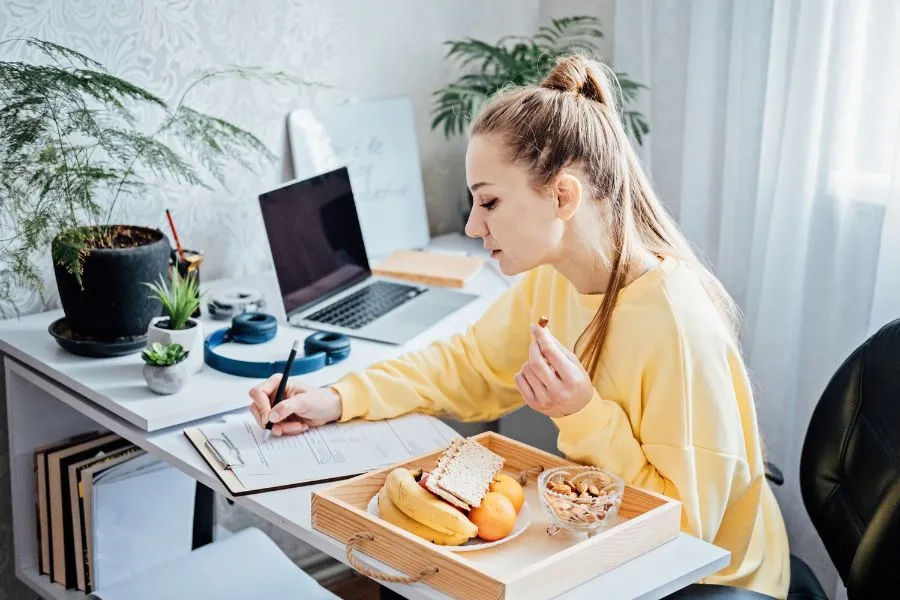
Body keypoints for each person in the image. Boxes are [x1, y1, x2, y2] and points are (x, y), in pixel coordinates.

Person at [249, 55, 790, 598]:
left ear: (563, 196)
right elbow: (466, 365)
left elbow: (688, 529)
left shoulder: (675, 322)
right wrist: (338, 397)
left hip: (706, 579)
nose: (471, 224)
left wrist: (583, 416)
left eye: (489, 201)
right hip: (610, 542)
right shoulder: (554, 278)